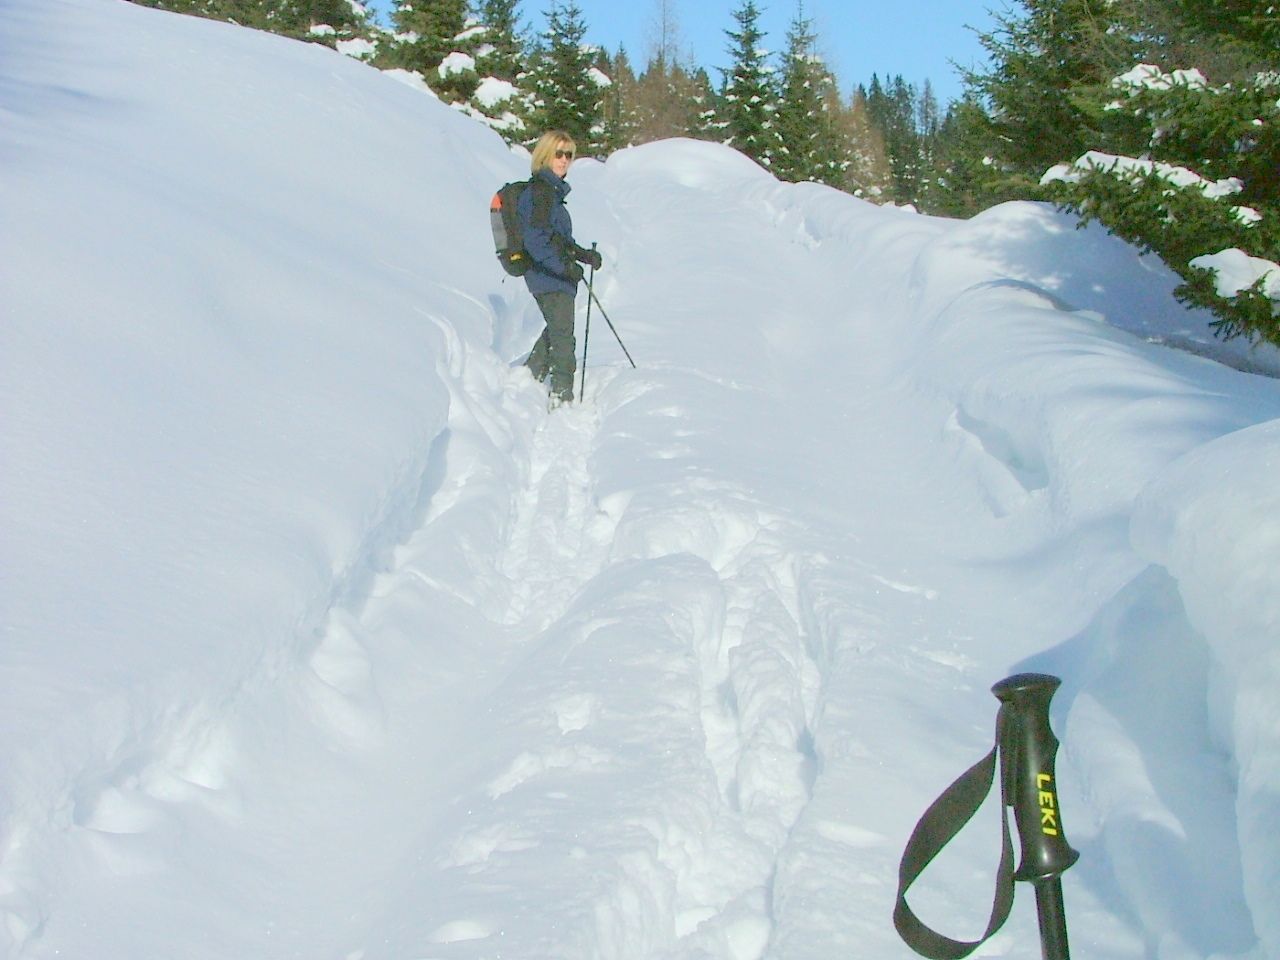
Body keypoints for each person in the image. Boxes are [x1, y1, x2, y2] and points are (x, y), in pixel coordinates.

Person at [519, 130, 602, 406]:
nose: (564, 160)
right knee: (563, 337)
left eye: (569, 155)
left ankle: (526, 379)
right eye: (558, 153)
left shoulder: (551, 193)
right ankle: (562, 395)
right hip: (547, 277)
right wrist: (565, 268)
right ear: (545, 155)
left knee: (557, 329)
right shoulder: (541, 192)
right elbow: (536, 241)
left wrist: (583, 256)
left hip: (552, 275)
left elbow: (559, 240)